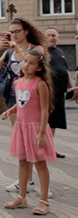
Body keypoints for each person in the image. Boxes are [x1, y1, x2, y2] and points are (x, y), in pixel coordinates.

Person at [0, 18, 47, 193]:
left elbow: (29, 62)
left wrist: (18, 49)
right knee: (22, 139)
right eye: (11, 32)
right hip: (15, 98)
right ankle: (26, 181)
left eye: (17, 31)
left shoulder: (36, 49)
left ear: (26, 31)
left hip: (34, 98)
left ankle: (43, 185)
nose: (13, 35)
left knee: (35, 141)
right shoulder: (9, 52)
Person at [1, 49, 56, 215]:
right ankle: (21, 197)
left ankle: (44, 201)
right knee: (23, 162)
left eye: (31, 63)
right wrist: (10, 111)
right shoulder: (18, 82)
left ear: (39, 67)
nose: (26, 65)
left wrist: (41, 133)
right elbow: (22, 102)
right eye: (25, 61)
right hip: (21, 127)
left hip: (36, 128)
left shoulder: (40, 84)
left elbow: (44, 110)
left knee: (40, 163)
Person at [44, 28, 69, 159]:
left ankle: (51, 148)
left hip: (60, 92)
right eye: (49, 35)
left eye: (54, 35)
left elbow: (65, 70)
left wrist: (72, 88)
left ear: (58, 37)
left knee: (54, 122)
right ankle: (44, 149)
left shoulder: (60, 52)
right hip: (48, 92)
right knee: (47, 120)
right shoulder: (42, 51)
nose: (52, 38)